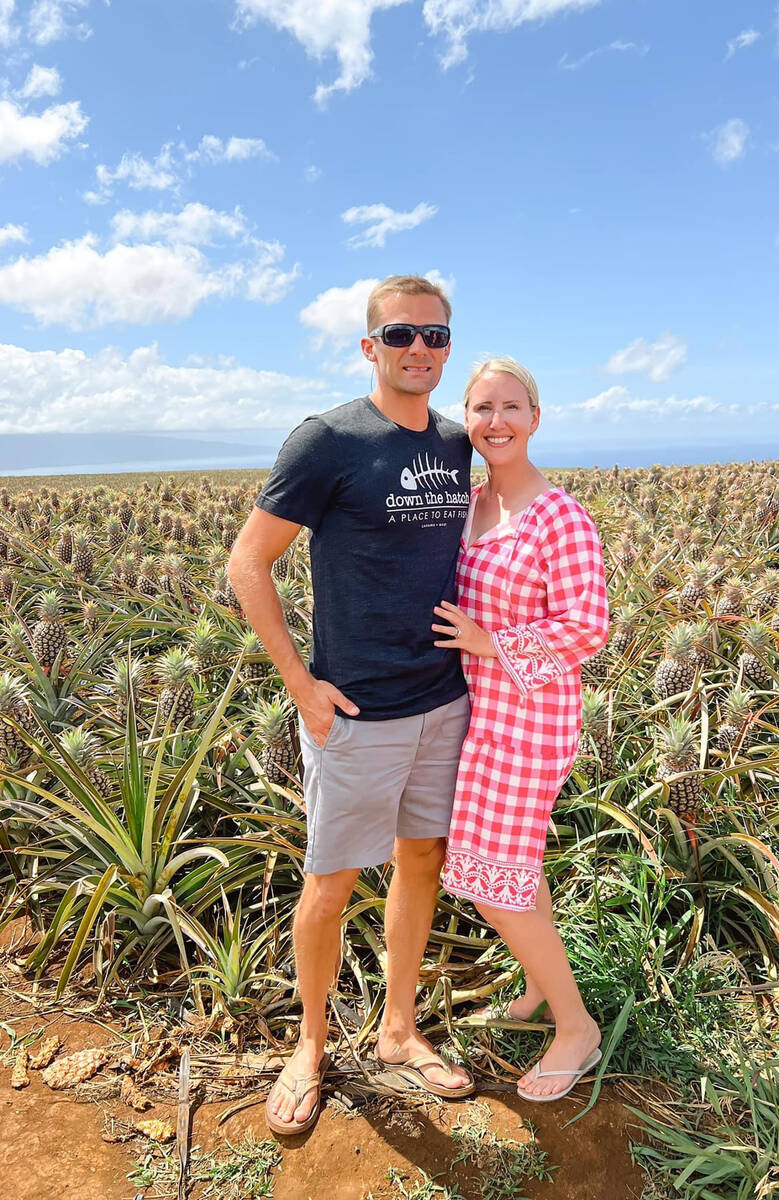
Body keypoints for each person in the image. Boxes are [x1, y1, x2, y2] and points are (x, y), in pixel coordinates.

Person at [228, 275, 476, 1137]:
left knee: (421, 861)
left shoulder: (454, 442)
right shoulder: (327, 439)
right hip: (357, 712)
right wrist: (302, 685)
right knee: (330, 885)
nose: (420, 350)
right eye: (402, 335)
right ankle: (310, 1044)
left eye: (436, 337)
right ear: (370, 346)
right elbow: (246, 563)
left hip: (444, 702)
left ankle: (399, 1029)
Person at [431, 357, 609, 1102]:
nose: (495, 421)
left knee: (495, 886)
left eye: (510, 406)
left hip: (528, 721)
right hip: (482, 716)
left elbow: (589, 627)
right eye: (480, 408)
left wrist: (490, 642)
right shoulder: (470, 505)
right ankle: (541, 988)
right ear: (465, 421)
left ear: (535, 418)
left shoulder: (557, 514)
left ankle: (578, 1028)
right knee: (514, 871)